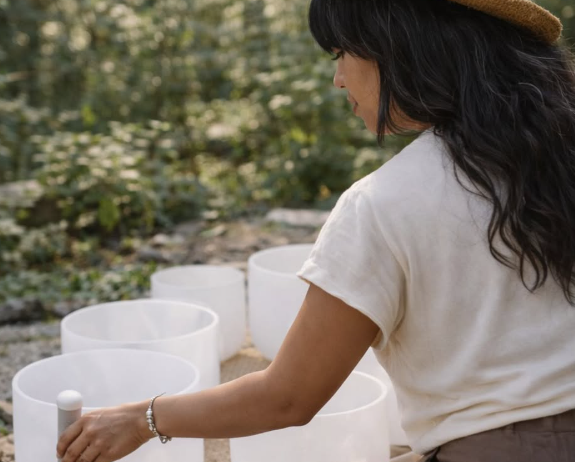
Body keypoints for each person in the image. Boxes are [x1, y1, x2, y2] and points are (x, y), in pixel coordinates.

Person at [57, 0, 575, 460]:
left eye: (340, 54)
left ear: (399, 48)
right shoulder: (557, 157)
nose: (338, 78)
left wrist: (142, 418)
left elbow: (288, 396)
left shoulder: (383, 202)